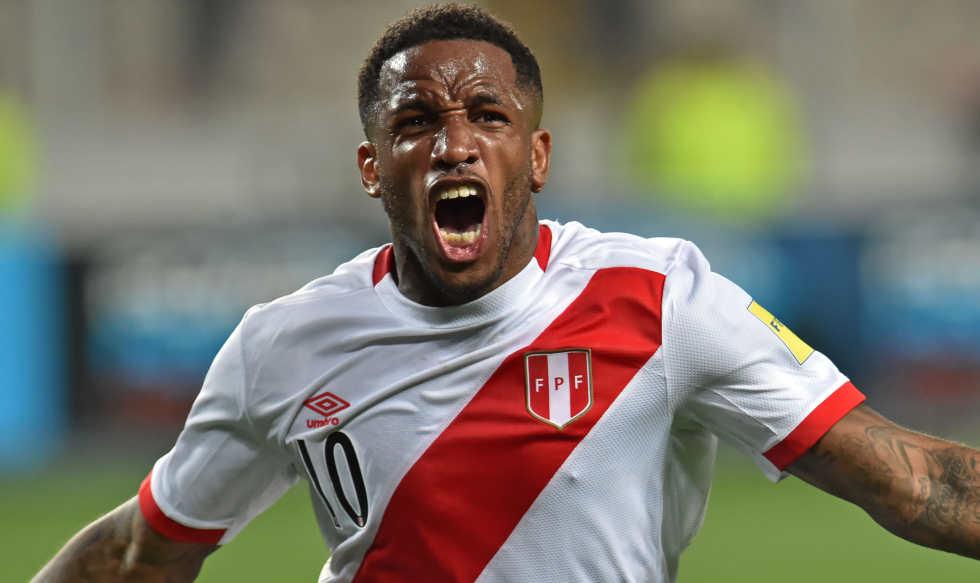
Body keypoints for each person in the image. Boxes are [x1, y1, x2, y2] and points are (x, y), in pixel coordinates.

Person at [34, 5, 979, 582]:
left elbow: (919, 482)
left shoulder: (661, 300)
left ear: (537, 156)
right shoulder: (283, 345)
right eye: (416, 122)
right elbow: (146, 550)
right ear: (372, 167)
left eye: (488, 116)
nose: (455, 144)